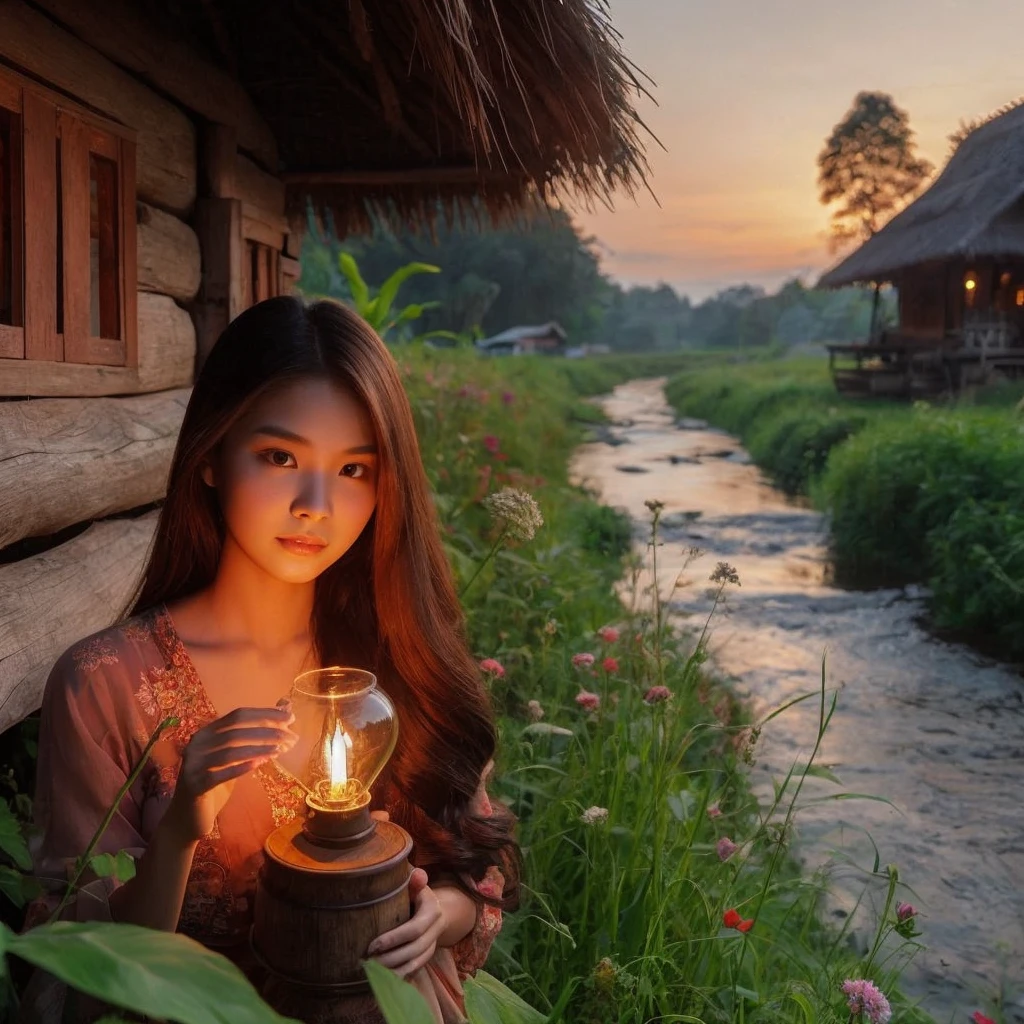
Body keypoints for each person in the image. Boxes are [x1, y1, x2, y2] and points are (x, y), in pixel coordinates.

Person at [26, 296, 520, 1023]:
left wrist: (431, 918)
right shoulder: (107, 686)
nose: (315, 503)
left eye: (354, 469)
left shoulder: (393, 656)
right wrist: (180, 832)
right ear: (212, 459)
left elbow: (472, 867)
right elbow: (86, 970)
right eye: (280, 457)